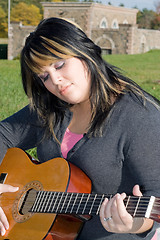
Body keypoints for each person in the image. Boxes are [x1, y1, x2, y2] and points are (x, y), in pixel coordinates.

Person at [0, 17, 160, 240]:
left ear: (83, 52)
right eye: (44, 76)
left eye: (59, 64)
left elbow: (156, 195)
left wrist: (136, 225)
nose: (55, 81)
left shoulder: (140, 117)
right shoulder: (50, 107)